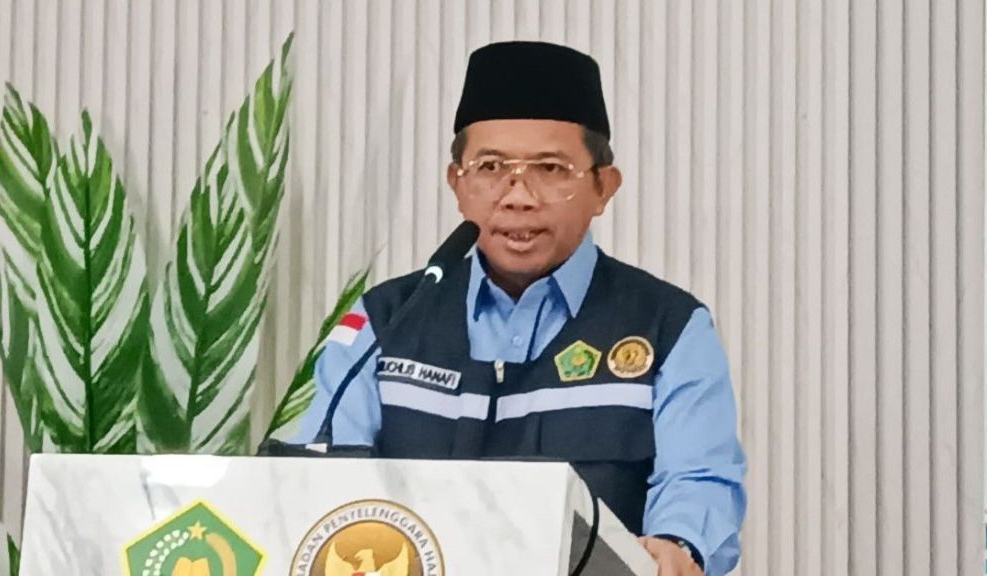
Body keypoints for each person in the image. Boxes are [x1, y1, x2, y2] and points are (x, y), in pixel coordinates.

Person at [295, 41, 746, 576]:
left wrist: (677, 544)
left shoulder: (667, 327)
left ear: (604, 188)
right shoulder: (386, 320)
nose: (518, 197)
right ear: (457, 184)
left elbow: (699, 480)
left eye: (551, 169)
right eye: (490, 167)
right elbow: (319, 478)